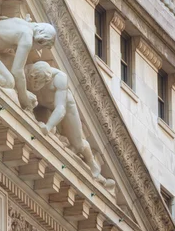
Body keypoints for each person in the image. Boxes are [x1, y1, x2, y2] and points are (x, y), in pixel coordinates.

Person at [25, 61, 115, 193]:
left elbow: (61, 108)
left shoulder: (60, 79)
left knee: (78, 145)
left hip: (66, 109)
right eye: (35, 82)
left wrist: (48, 127)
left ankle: (92, 164)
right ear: (32, 75)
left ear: (48, 79)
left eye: (40, 83)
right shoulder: (27, 70)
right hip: (42, 106)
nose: (36, 85)